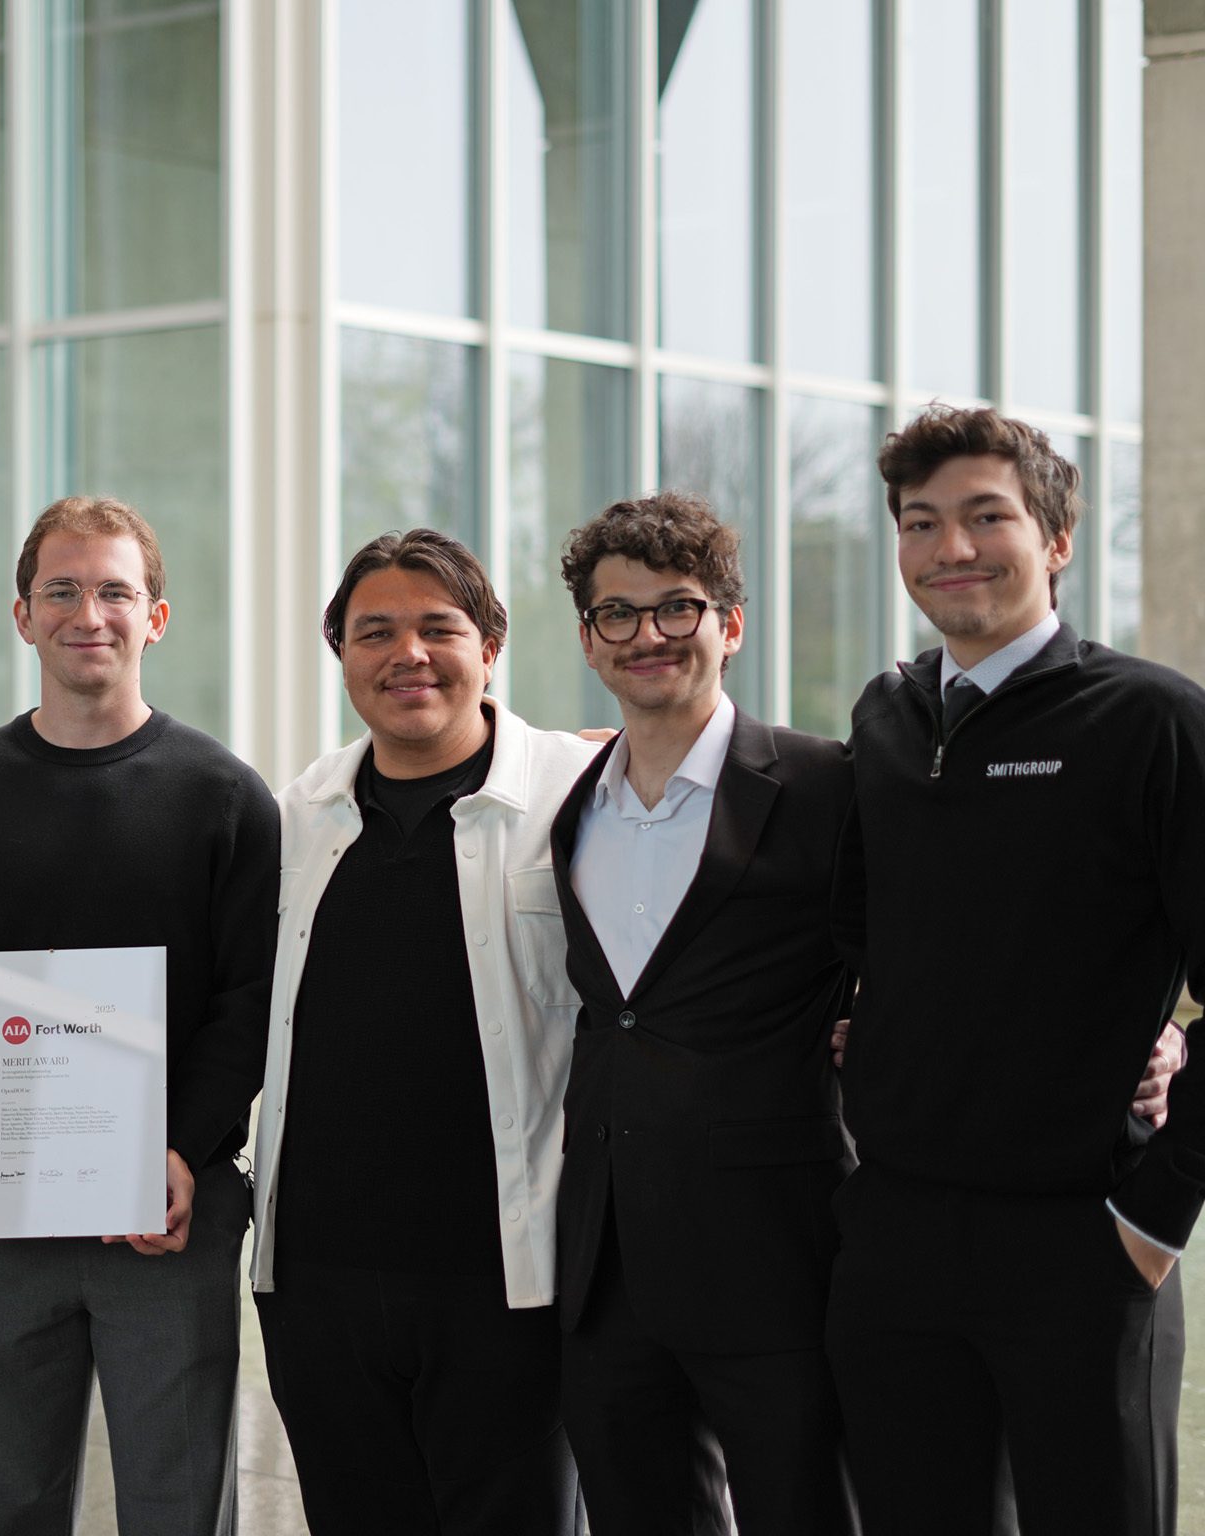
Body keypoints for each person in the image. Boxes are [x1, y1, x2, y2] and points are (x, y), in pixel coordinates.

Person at [827, 404, 1205, 1536]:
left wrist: (1157, 1215)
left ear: (1056, 540)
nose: (953, 549)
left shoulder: (1153, 721)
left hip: (1082, 1245)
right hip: (894, 1241)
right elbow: (855, 938)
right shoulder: (887, 719)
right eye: (921, 522)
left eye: (987, 516)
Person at [0, 495, 279, 1535]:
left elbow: (249, 1000)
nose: (87, 612)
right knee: (3, 1506)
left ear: (157, 616)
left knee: (176, 1508)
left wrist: (186, 1151)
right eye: (61, 590)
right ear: (22, 615)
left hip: (166, 1210)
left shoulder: (225, 797)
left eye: (114, 591)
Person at [249, 530, 597, 1535]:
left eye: (438, 627)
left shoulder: (572, 804)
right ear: (343, 655)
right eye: (375, 632)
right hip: (318, 1280)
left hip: (505, 1281)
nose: (408, 654)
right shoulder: (294, 818)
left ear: (489, 646)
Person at [547, 494, 857, 1535]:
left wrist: (1157, 1033)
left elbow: (944, 944)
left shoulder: (826, 787)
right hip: (605, 1261)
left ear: (729, 624)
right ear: (589, 641)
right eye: (617, 615)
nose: (648, 637)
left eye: (676, 609)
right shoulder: (566, 801)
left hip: (775, 1258)